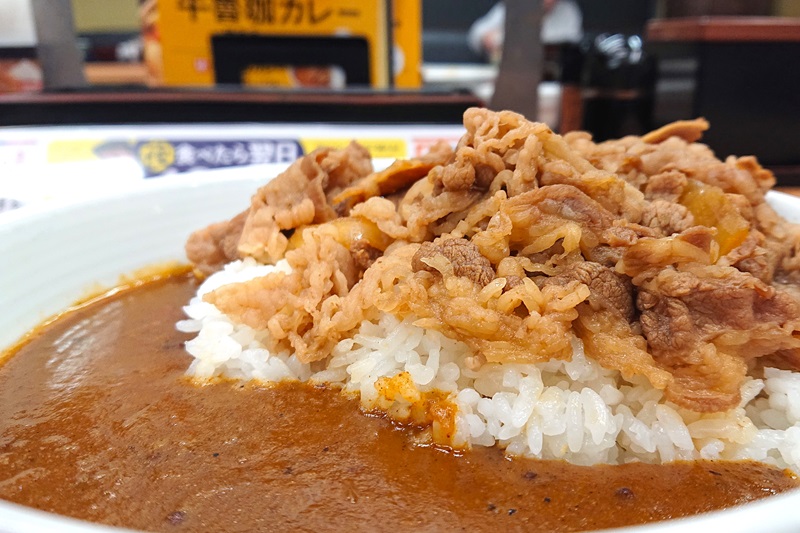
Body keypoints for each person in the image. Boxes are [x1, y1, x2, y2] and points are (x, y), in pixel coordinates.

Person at [468, 0, 583, 62]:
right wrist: (489, 39)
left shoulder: (568, 11)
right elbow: (477, 32)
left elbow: (570, 46)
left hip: (553, 82)